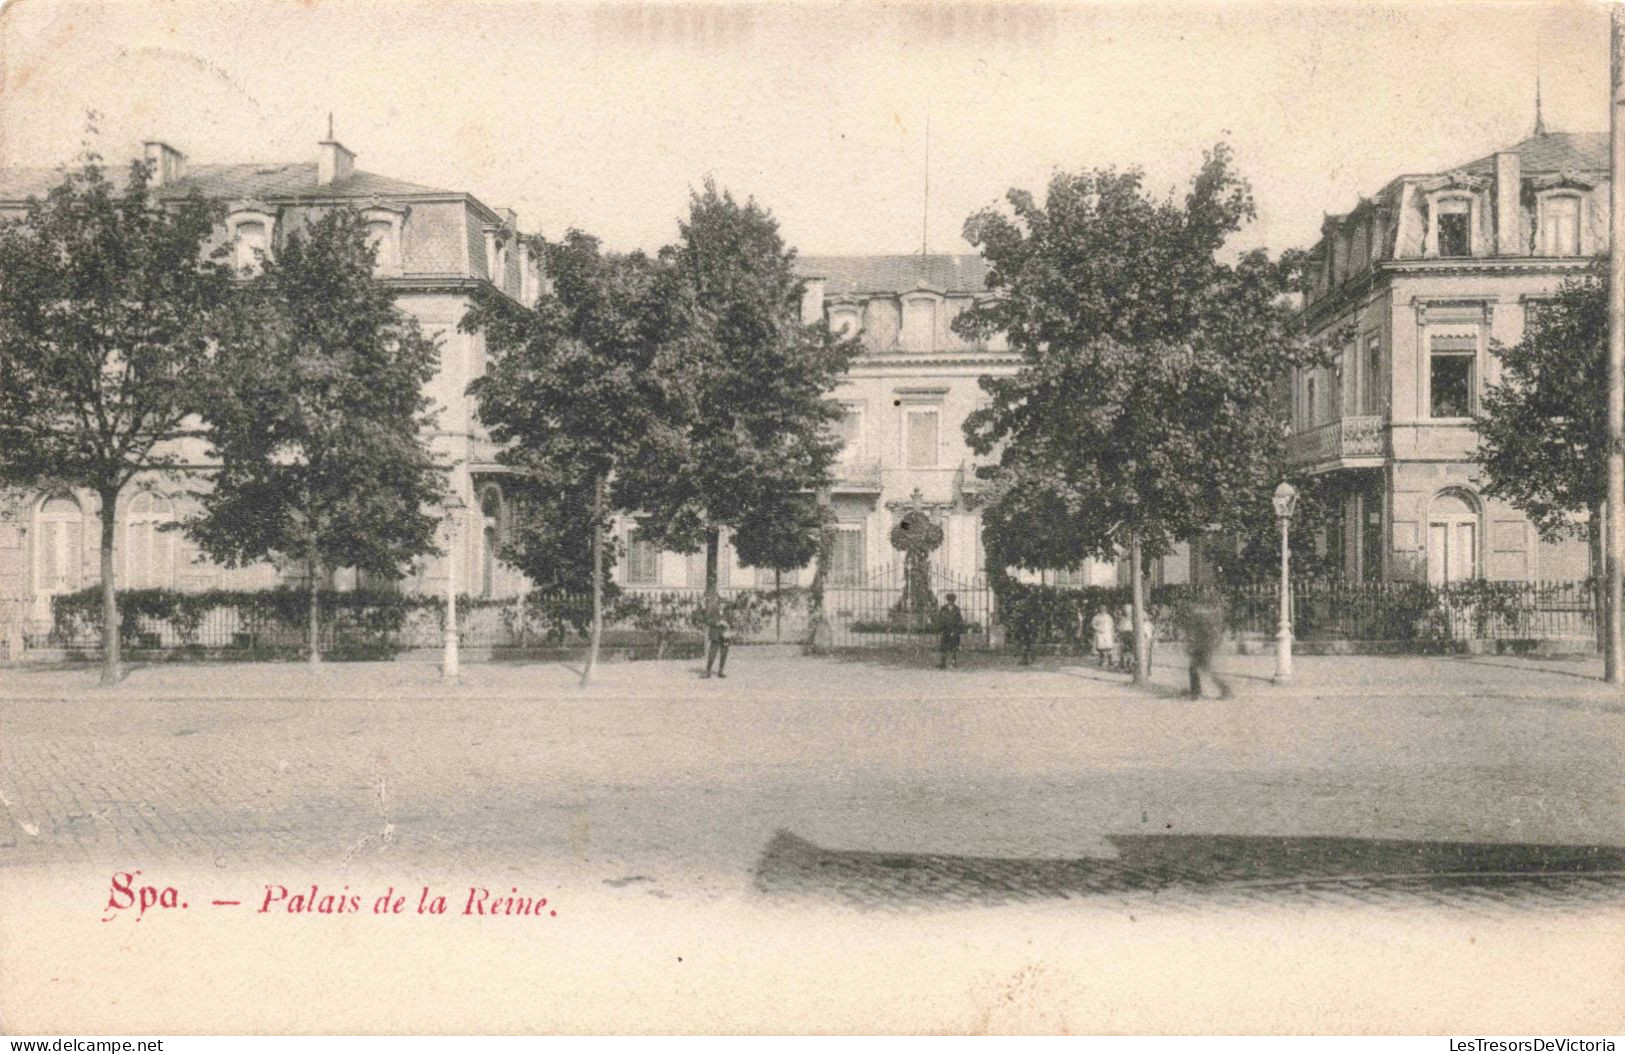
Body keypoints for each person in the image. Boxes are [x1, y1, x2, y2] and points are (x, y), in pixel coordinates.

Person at [1179, 596, 1230, 699]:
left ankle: (1223, 690)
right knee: (1196, 669)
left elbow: (1205, 634)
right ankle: (1196, 692)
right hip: (1202, 648)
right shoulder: (1200, 616)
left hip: (1203, 648)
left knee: (1204, 669)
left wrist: (1196, 646)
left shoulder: (1200, 617)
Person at [702, 594, 730, 679]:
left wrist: (728, 623)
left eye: (724, 603)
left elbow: (732, 621)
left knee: (724, 653)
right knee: (712, 653)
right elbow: (707, 620)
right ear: (718, 603)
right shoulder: (713, 611)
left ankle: (721, 671)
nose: (722, 605)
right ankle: (708, 671)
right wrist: (717, 623)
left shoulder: (728, 612)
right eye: (721, 603)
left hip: (725, 635)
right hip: (715, 634)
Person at [937, 592, 965, 669]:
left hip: (954, 630)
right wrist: (940, 629)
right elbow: (940, 619)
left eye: (952, 600)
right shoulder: (943, 608)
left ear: (954, 601)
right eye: (949, 600)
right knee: (943, 647)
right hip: (945, 629)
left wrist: (958, 630)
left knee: (954, 647)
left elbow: (960, 620)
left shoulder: (957, 609)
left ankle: (953, 662)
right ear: (947, 600)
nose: (950, 601)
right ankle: (943, 663)